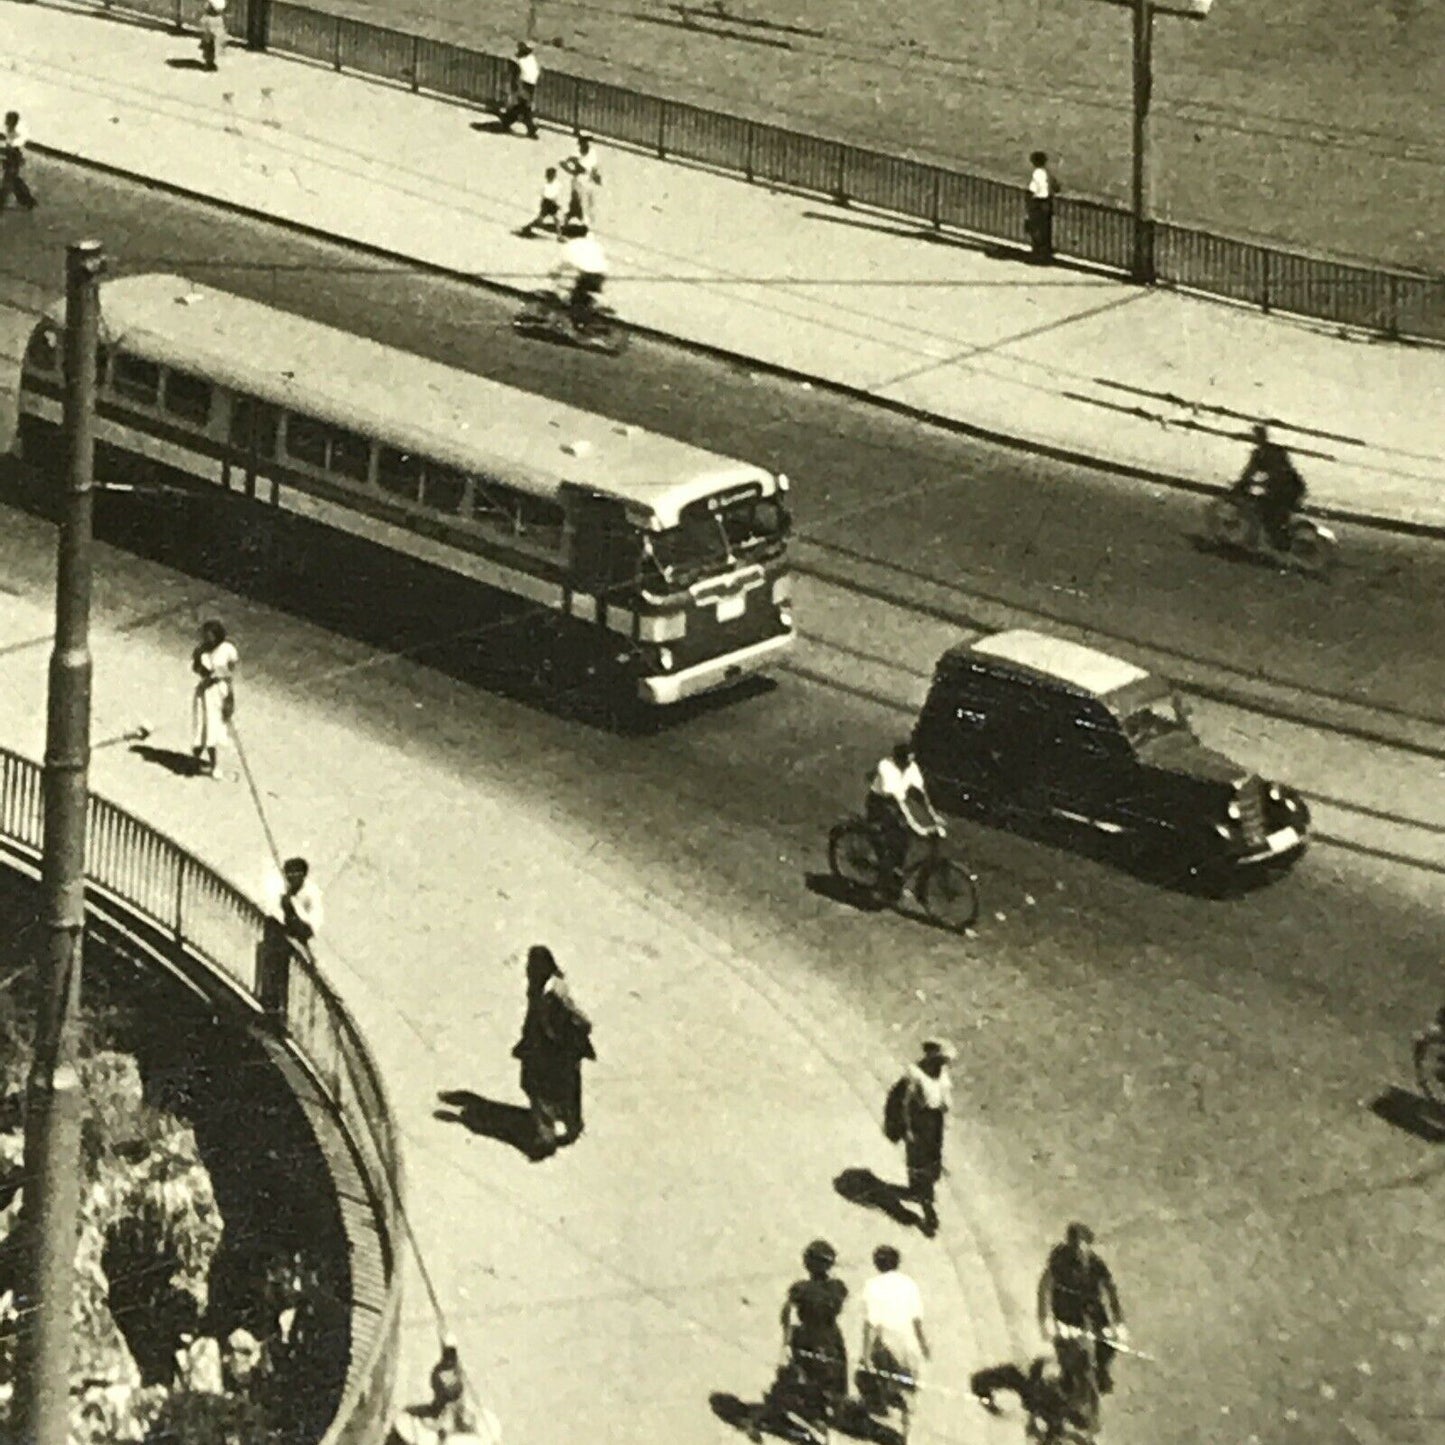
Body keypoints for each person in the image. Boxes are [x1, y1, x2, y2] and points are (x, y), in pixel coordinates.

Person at [749, 1239, 848, 1444]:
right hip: (831, 1339)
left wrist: (786, 1340)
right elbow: (836, 1307)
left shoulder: (800, 1288)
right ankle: (820, 1416)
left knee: (797, 1376)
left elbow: (787, 1313)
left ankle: (784, 1416)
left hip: (806, 1337)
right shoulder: (837, 1288)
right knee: (829, 1379)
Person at [512, 945, 596, 1157]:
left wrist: (562, 1038)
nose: (528, 970)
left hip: (552, 1050)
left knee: (544, 1089)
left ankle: (550, 1135)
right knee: (542, 1087)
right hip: (541, 1046)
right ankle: (564, 1126)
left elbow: (575, 1018)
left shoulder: (553, 990)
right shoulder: (539, 986)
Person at [1037, 1222, 1127, 1395]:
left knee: (1108, 1342)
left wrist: (1118, 1321)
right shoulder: (1059, 1261)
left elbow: (1109, 1289)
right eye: (1076, 1245)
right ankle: (1067, 1380)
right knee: (1066, 1346)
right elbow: (1044, 1289)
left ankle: (1101, 1372)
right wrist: (1045, 1320)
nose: (1081, 1250)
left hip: (1091, 1305)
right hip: (1066, 1307)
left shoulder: (1095, 1264)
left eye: (1084, 1245)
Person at [857, 1245, 930, 1433]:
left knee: (879, 1386)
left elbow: (870, 1323)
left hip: (888, 1345)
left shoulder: (872, 1285)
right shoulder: (909, 1283)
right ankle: (906, 1430)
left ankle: (886, 1424)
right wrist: (923, 1344)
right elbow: (917, 1319)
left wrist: (865, 1355)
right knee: (908, 1391)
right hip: (910, 1344)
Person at [866, 741, 942, 899]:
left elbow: (921, 794)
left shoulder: (911, 767)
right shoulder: (887, 767)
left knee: (903, 842)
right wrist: (916, 825)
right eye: (905, 762)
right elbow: (899, 802)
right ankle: (882, 883)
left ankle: (894, 879)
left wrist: (933, 816)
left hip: (896, 802)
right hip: (880, 802)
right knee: (893, 838)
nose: (908, 765)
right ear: (897, 759)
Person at [900, 1039, 954, 1236]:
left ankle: (920, 1192)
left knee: (931, 1163)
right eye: (940, 1060)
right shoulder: (916, 1074)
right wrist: (908, 1129)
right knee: (920, 1164)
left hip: (934, 1123)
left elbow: (945, 1099)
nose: (943, 1065)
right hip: (920, 1122)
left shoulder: (942, 1074)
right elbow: (907, 1104)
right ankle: (927, 1207)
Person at [1234, 422, 1306, 550]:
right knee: (1272, 513)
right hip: (1293, 486)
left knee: (1267, 513)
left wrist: (1240, 486)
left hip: (1283, 490)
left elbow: (1249, 474)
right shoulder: (1277, 450)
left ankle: (1266, 544)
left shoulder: (1259, 454)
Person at [191, 618, 238, 778]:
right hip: (205, 691)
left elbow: (230, 672)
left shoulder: (227, 649)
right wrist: (201, 664)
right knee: (202, 725)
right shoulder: (201, 651)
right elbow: (197, 670)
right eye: (205, 635)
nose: (207, 639)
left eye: (209, 635)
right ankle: (196, 758)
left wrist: (230, 697)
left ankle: (215, 764)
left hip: (220, 690)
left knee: (215, 727)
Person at [551, 230, 610, 330]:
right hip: (601, 273)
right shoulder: (595, 245)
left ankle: (578, 325)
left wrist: (554, 274)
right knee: (584, 292)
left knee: (575, 297)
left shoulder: (570, 245)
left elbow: (559, 265)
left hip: (587, 273)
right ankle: (589, 313)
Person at [498, 41, 541, 137]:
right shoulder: (526, 60)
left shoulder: (525, 60)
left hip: (525, 85)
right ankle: (530, 127)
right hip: (525, 85)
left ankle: (507, 121)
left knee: (522, 107)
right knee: (524, 107)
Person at [561, 133, 602, 230]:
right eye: (584, 141)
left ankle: (576, 218)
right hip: (578, 181)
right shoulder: (576, 153)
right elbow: (563, 162)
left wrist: (596, 177)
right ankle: (577, 219)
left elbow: (594, 169)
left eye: (587, 141)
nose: (586, 143)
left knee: (586, 202)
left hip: (587, 182)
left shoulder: (592, 152)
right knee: (578, 201)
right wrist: (571, 171)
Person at [1, 112, 37, 213]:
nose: (5, 123)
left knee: (7, 183)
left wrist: (4, 151)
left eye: (8, 121)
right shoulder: (10, 130)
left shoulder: (18, 136)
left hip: (14, 160)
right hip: (10, 159)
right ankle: (28, 200)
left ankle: (1, 205)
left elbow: (13, 149)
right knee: (15, 182)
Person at [1025, 150, 1056, 263]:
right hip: (1047, 202)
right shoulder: (1047, 173)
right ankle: (1045, 254)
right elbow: (1056, 187)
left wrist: (1028, 204)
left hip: (1038, 203)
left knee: (1036, 229)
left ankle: (1038, 255)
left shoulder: (1036, 173)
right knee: (1045, 229)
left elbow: (1032, 190)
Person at [517, 165, 564, 238]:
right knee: (541, 220)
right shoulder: (546, 185)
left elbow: (555, 195)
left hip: (550, 204)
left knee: (556, 220)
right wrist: (556, 204)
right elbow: (547, 196)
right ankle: (528, 227)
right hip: (547, 203)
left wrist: (557, 204)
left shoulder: (555, 184)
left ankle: (559, 236)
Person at [199, 0, 227, 70]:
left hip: (214, 19)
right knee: (209, 42)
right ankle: (209, 62)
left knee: (212, 42)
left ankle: (210, 62)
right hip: (213, 19)